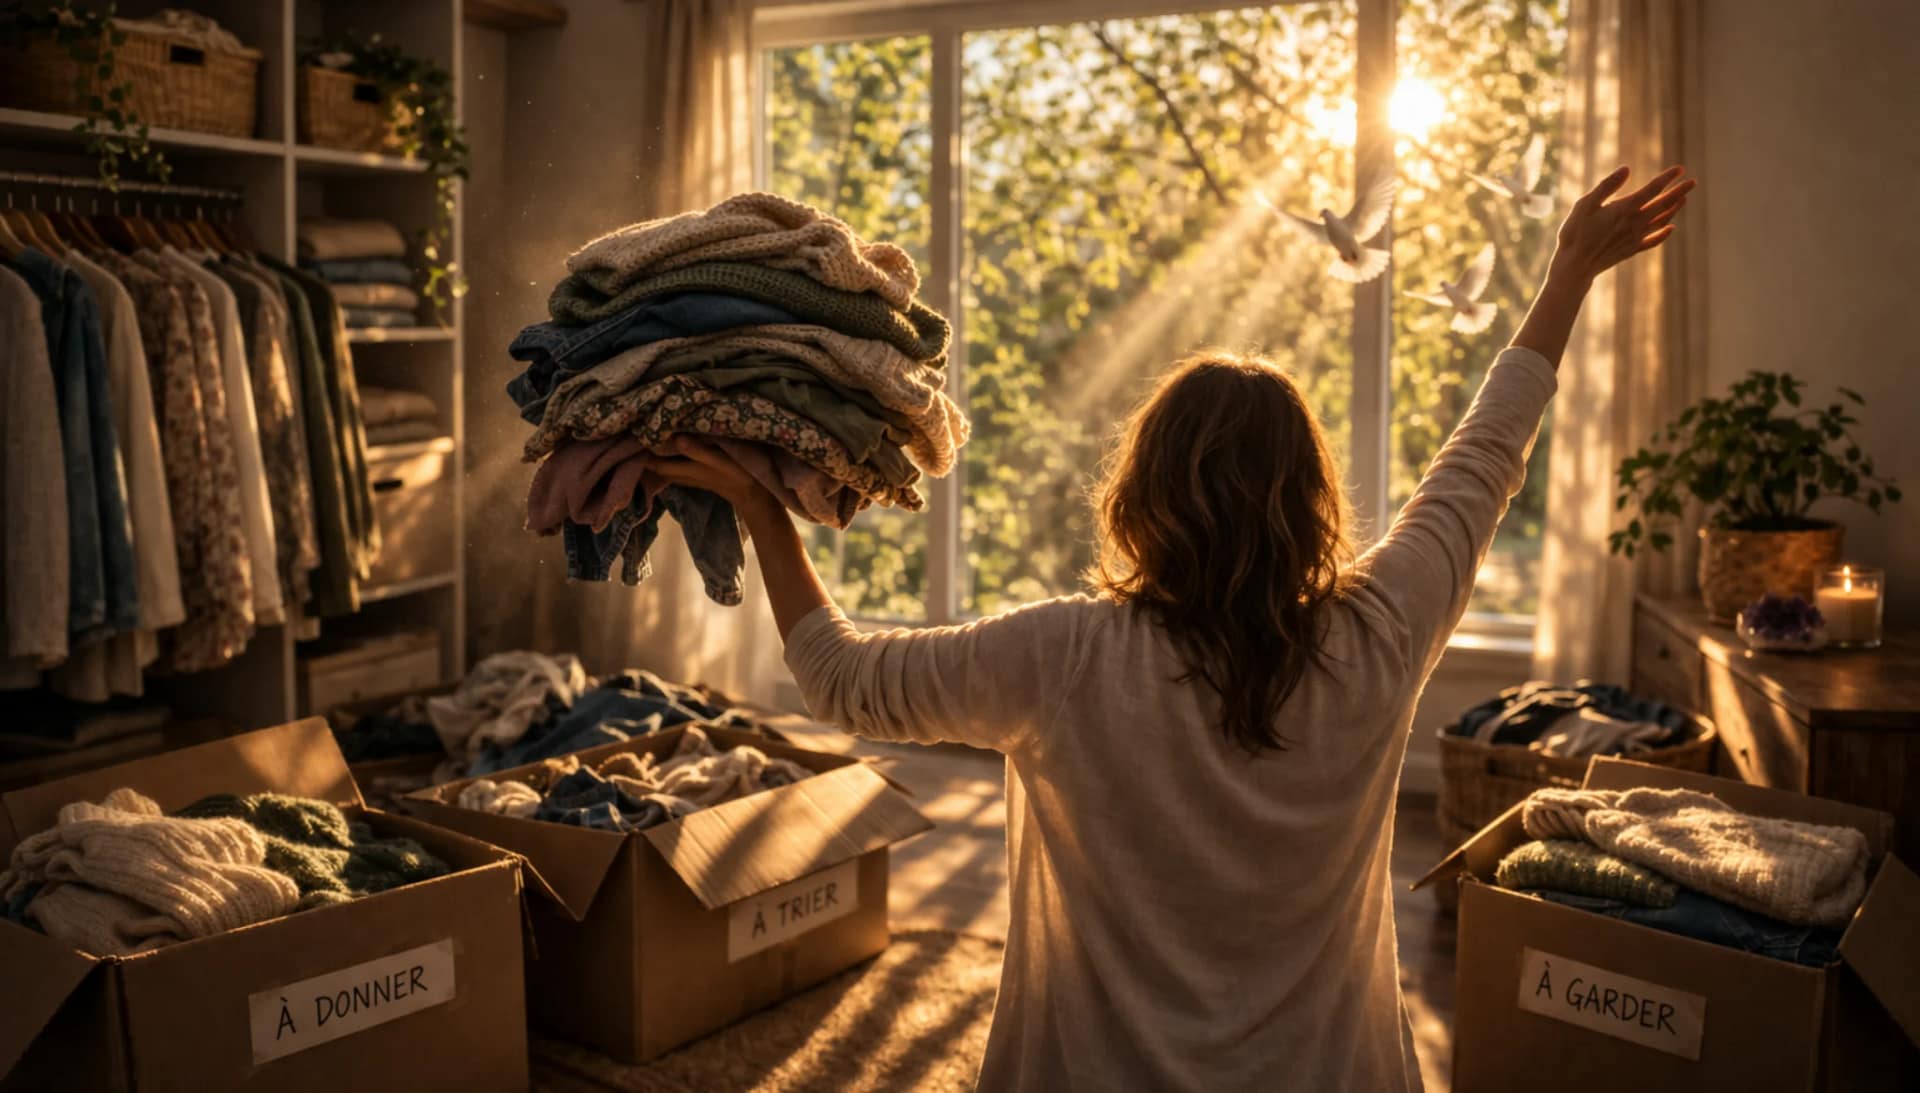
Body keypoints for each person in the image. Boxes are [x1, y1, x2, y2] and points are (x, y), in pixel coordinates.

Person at [651, 165, 1695, 1091]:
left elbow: (839, 679)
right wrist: (1566, 274)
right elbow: (1487, 453)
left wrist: (758, 510)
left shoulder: (1064, 655)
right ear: (1311, 503)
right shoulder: (1383, 630)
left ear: (1140, 495)